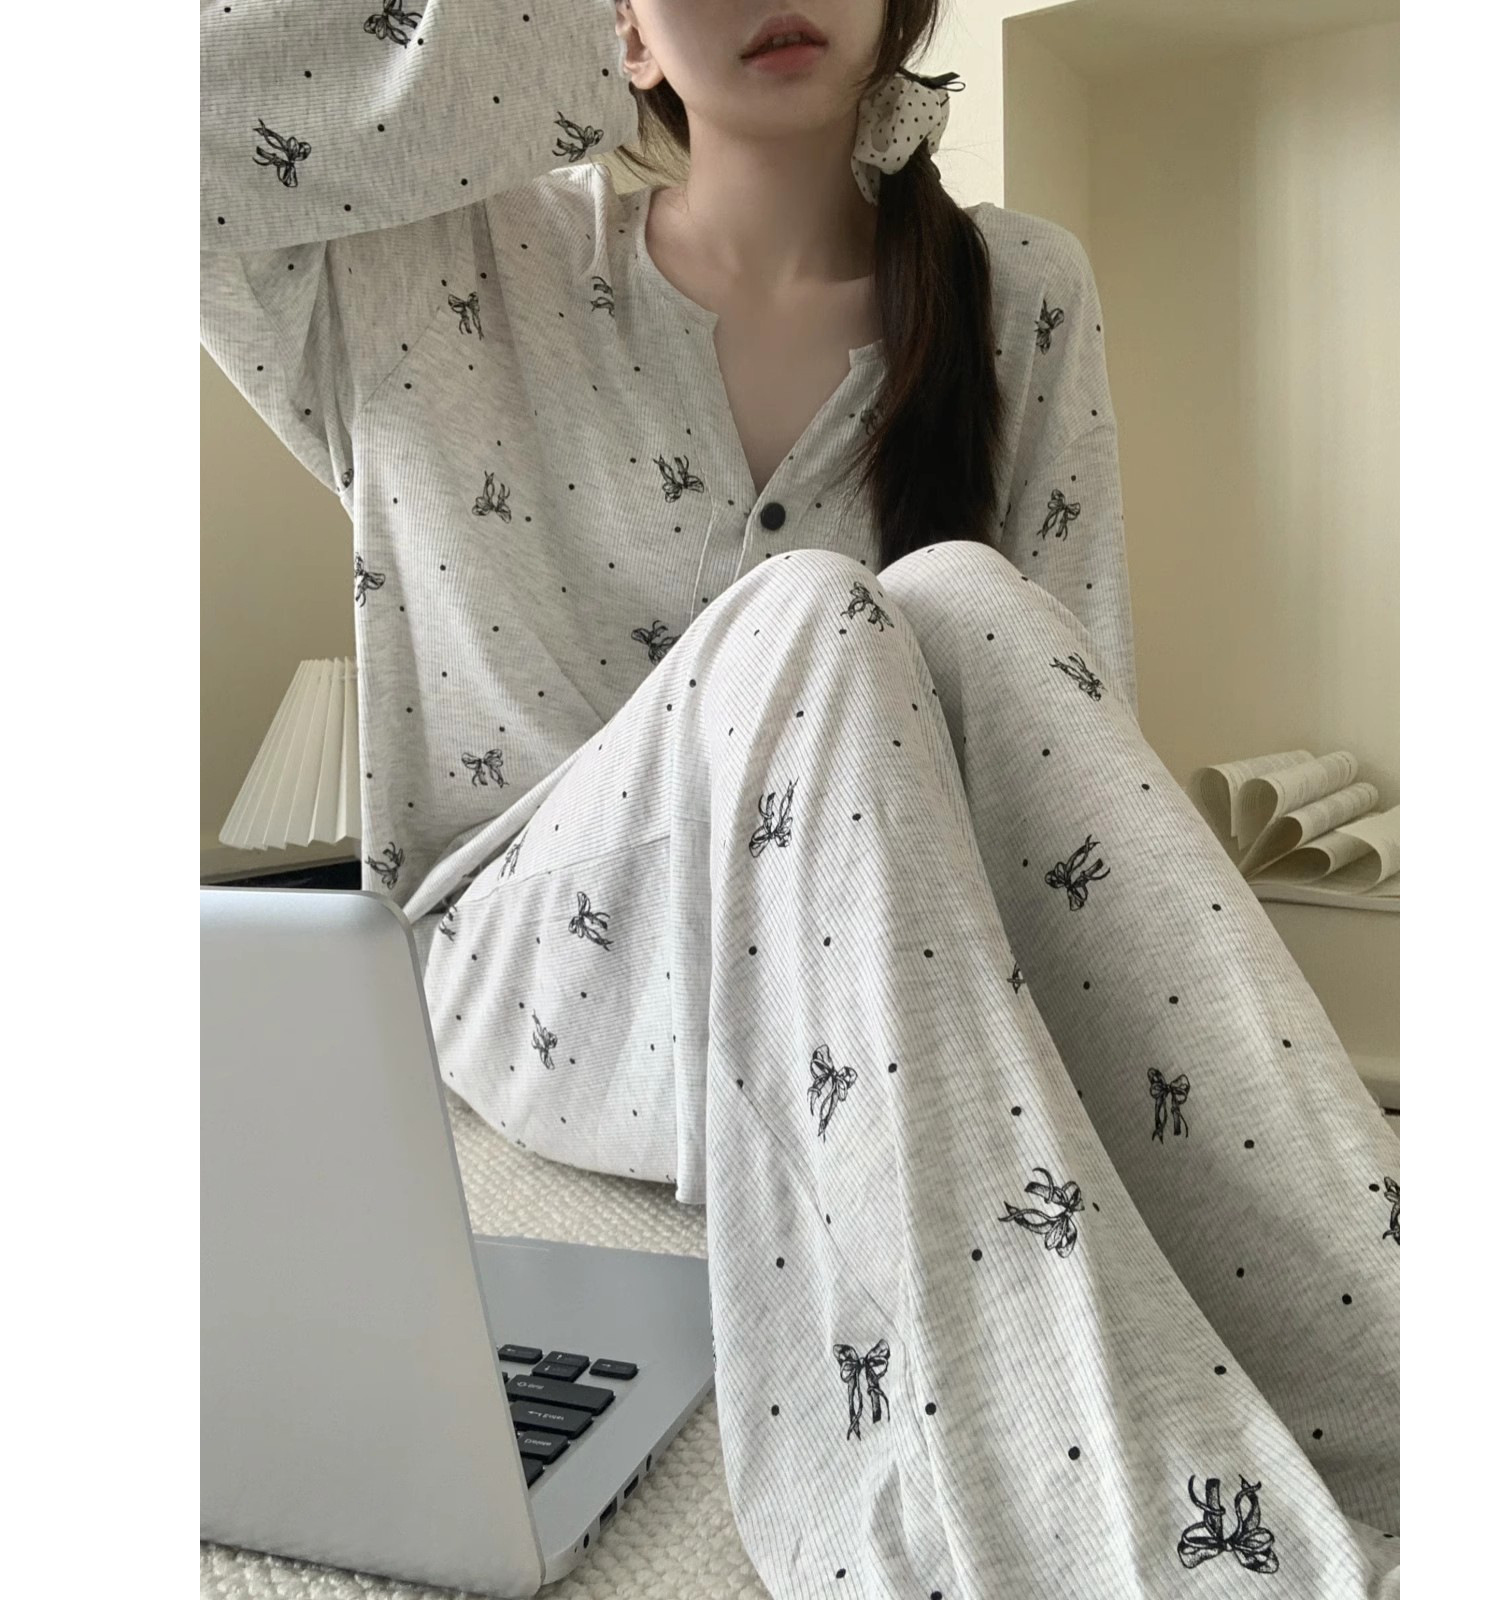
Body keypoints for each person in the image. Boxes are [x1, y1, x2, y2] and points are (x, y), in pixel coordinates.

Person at [200, 3, 1400, 1595]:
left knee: (961, 598)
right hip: (538, 975)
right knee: (815, 613)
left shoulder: (1018, 291)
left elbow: (1070, 781)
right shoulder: (432, 260)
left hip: (866, 965)